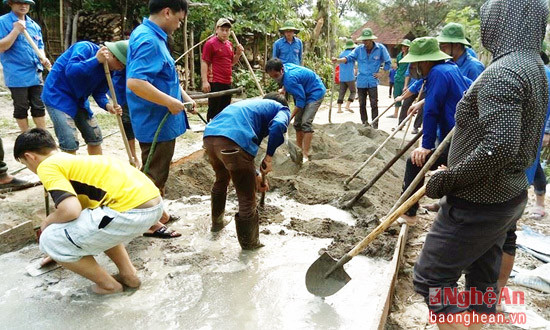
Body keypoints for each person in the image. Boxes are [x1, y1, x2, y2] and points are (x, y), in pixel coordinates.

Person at [414, 0, 548, 328]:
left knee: (433, 281)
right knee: (481, 287)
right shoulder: (534, 66)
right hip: (508, 196)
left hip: (480, 201)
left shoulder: (503, 73)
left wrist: (449, 179)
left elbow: (498, 147)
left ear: (500, 21)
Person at [14, 128, 164, 294]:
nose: (29, 168)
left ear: (29, 156)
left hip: (130, 212)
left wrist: (48, 226)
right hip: (153, 207)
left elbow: (70, 210)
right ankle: (129, 275)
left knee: (49, 239)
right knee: (96, 221)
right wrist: (63, 248)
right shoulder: (75, 161)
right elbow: (84, 220)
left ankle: (109, 286)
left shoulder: (47, 166)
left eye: (24, 164)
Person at [397, 37, 471, 226]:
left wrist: (426, 146)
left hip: (457, 137)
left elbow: (432, 111)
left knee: (415, 162)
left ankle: (409, 214)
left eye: (416, 63)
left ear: (425, 61)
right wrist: (423, 100)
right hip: (459, 134)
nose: (414, 67)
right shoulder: (449, 68)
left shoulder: (438, 72)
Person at [203, 93, 290, 249]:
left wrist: (255, 174)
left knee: (221, 180)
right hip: (234, 141)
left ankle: (217, 224)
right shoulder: (282, 109)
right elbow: (278, 126)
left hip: (210, 138)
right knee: (246, 197)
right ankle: (250, 245)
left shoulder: (250, 105)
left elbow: (242, 161)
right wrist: (268, 158)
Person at [41, 40, 126, 155]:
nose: (121, 69)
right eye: (121, 65)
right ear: (112, 56)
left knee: (94, 136)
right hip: (57, 95)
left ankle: (96, 170)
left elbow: (99, 93)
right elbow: (71, 71)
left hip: (79, 100)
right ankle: (71, 172)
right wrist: (95, 60)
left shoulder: (110, 71)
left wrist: (108, 106)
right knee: (69, 140)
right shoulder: (85, 48)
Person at [0, 0, 50, 133]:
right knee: (21, 107)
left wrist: (43, 57)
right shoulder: (2, 22)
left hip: (35, 72)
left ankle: (42, 137)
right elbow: (2, 47)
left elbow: (40, 46)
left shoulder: (34, 25)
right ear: (10, 3)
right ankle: (26, 136)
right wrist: (16, 30)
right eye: (19, 2)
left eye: (26, 3)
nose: (23, 6)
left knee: (39, 106)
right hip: (16, 73)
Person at [265, 58, 326, 161]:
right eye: (271, 77)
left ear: (281, 70)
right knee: (297, 123)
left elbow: (300, 102)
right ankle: (299, 149)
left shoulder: (290, 80)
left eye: (276, 76)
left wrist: (289, 117)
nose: (274, 79)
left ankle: (305, 154)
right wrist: (284, 89)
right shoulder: (285, 67)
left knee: (306, 122)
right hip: (304, 91)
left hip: (315, 92)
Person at [332, 28, 391, 129]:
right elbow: (349, 58)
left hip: (372, 80)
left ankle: (375, 125)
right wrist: (338, 60)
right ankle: (364, 123)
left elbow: (388, 61)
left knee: (374, 103)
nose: (365, 42)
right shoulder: (359, 49)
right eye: (363, 40)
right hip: (361, 81)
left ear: (371, 40)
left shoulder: (380, 48)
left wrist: (381, 72)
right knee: (362, 103)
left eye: (367, 40)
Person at [201, 18, 244, 121]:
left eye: (227, 30)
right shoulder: (210, 43)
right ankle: (211, 130)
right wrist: (205, 81)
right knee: (214, 109)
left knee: (225, 109)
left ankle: (222, 132)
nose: (225, 32)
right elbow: (204, 62)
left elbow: (231, 62)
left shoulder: (229, 44)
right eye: (222, 30)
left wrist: (238, 54)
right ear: (217, 30)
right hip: (215, 81)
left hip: (227, 81)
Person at [110, 45, 141, 169]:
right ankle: (133, 156)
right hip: (122, 91)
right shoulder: (122, 53)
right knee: (126, 121)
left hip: (139, 91)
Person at [389, 39, 410, 119]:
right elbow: (398, 66)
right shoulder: (399, 56)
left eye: (405, 46)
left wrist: (406, 83)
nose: (404, 48)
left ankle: (405, 115)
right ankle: (395, 113)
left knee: (406, 98)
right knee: (396, 95)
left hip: (406, 79)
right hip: (398, 78)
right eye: (403, 46)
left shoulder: (410, 57)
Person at [336, 38, 356, 114]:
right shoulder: (352, 54)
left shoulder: (341, 54)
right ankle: (347, 105)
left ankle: (339, 109)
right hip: (350, 76)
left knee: (341, 92)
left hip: (342, 76)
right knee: (353, 91)